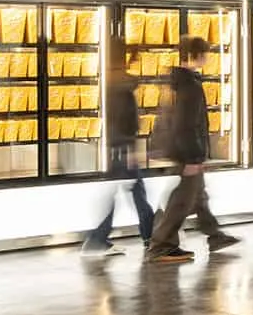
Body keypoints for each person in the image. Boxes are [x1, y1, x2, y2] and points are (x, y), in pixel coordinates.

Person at [146, 36, 239, 263]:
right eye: (205, 53)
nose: (207, 58)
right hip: (187, 154)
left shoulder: (177, 82)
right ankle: (161, 245)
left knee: (198, 197)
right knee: (182, 201)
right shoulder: (190, 86)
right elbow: (186, 125)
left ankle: (214, 235)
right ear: (197, 55)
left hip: (183, 152)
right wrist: (192, 157)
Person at [81, 49, 154, 254]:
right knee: (138, 193)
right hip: (123, 148)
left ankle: (99, 238)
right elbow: (126, 120)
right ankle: (149, 237)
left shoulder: (111, 84)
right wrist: (130, 148)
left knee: (125, 193)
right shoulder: (122, 87)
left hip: (116, 148)